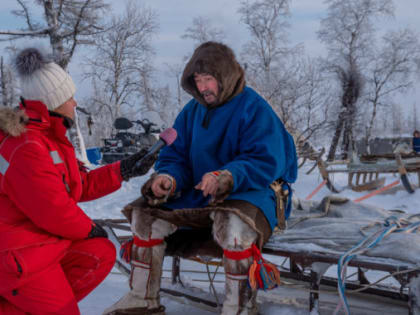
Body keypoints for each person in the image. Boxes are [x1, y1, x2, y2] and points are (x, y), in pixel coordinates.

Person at [104, 41, 297, 315]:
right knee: (145, 216)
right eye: (198, 80)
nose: (203, 87)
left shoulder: (254, 108)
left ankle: (239, 307)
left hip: (250, 192)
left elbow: (266, 160)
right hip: (200, 194)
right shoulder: (191, 112)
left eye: (209, 80)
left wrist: (226, 175)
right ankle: (142, 298)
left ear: (225, 78)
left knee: (232, 226)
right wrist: (168, 179)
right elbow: (175, 156)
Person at [0, 47, 156, 315]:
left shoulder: (48, 138)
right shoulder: (28, 147)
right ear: (54, 101)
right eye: (69, 96)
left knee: (99, 252)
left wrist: (123, 170)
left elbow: (76, 185)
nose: (74, 102)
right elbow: (54, 210)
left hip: (36, 241)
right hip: (16, 253)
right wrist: (88, 227)